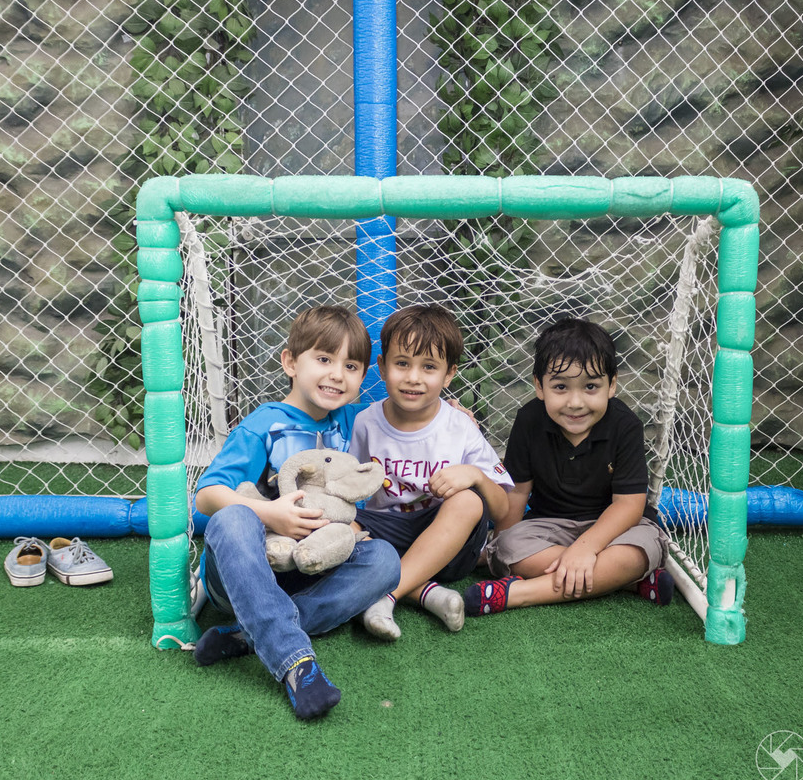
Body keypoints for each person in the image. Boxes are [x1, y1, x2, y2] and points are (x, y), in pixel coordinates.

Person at [192, 305, 401, 721]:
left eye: (351, 365)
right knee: (232, 519)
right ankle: (295, 664)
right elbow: (206, 496)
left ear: (363, 377)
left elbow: (401, 420)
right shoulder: (263, 425)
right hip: (245, 571)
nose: (337, 374)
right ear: (290, 361)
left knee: (385, 560)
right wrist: (269, 514)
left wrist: (455, 417)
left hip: (308, 570)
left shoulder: (350, 420)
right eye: (324, 359)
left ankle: (249, 635)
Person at [464, 316, 674, 618]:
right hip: (549, 527)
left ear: (611, 385)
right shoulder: (529, 420)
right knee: (510, 544)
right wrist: (499, 549)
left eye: (590, 386)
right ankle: (623, 582)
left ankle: (519, 594)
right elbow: (518, 491)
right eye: (561, 387)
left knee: (640, 550)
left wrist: (586, 549)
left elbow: (629, 506)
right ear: (540, 387)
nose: (576, 402)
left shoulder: (625, 425)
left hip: (616, 529)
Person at [350, 305, 513, 640]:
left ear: (449, 374)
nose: (413, 377)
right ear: (382, 367)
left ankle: (386, 597)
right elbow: (352, 488)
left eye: (429, 367)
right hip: (387, 542)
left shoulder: (459, 426)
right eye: (402, 363)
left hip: (449, 547)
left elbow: (501, 510)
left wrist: (476, 476)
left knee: (468, 502)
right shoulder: (366, 422)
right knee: (339, 527)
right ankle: (426, 593)